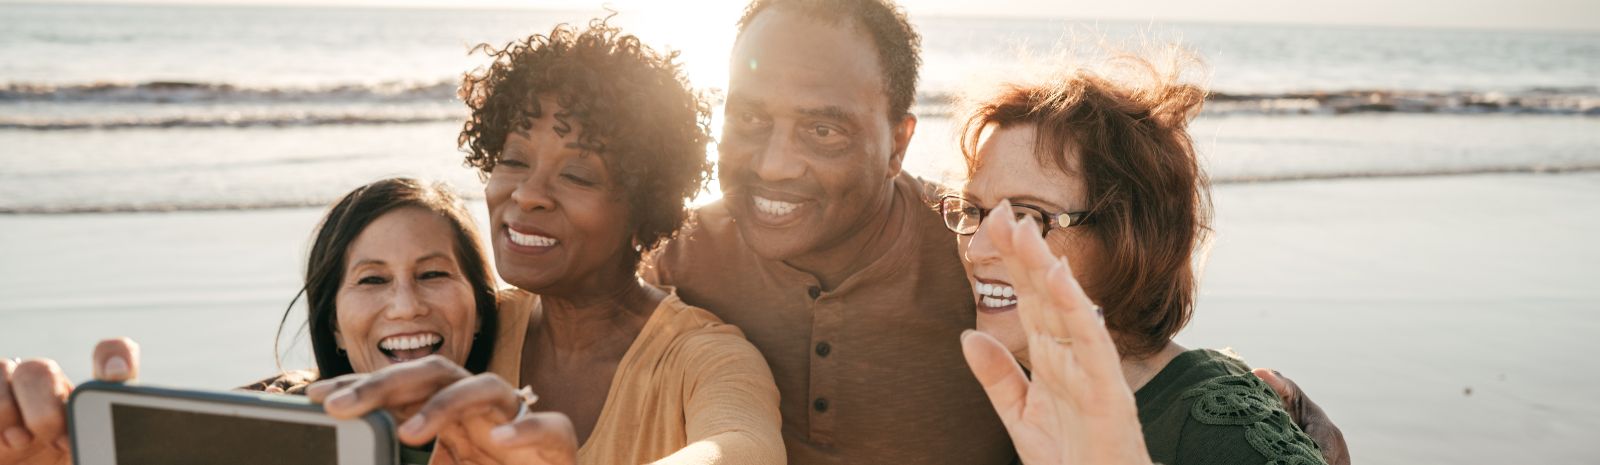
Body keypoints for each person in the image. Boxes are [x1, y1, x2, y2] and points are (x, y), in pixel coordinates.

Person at [645, 0, 1348, 463]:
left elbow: (1154, 367)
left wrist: (1265, 416)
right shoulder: (678, 250)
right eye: (750, 119)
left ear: (897, 145)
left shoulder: (982, 272)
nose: (984, 243)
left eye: (823, 128)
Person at [304, 19, 785, 465]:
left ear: (645, 207)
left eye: (577, 175)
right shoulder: (474, 321)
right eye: (513, 161)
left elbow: (739, 448)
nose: (528, 195)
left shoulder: (705, 360)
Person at [951, 52, 1345, 464]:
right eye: (972, 210)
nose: (976, 250)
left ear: (1127, 238)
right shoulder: (1023, 389)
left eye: (1026, 218)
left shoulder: (1218, 428)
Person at [0, 177, 502, 464]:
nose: (405, 305)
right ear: (332, 327)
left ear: (479, 310)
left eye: (433, 273)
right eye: (371, 280)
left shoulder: (519, 440)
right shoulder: (256, 435)